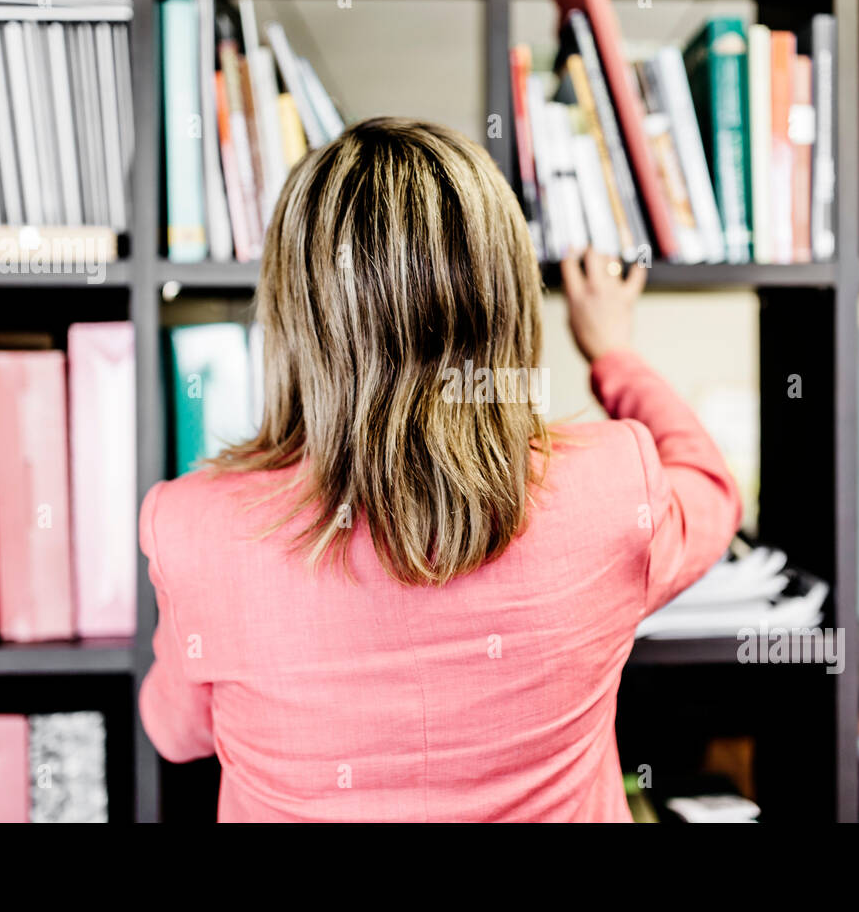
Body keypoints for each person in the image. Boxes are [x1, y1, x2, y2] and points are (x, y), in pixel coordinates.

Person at [139, 117, 740, 821]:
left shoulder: (197, 528)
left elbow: (176, 733)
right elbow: (711, 486)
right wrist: (612, 352)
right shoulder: (611, 490)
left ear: (294, 317)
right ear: (507, 298)